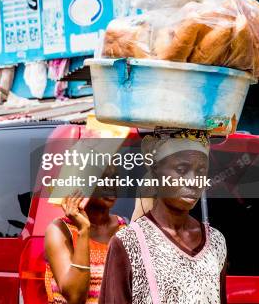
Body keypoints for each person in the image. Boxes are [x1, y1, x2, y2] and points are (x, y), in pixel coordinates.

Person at [100, 129, 228, 304]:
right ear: (155, 171)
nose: (193, 180)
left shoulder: (216, 242)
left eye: (201, 170)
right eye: (181, 169)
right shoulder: (129, 243)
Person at [44, 169, 127, 304]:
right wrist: (83, 230)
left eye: (115, 177)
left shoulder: (124, 229)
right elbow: (75, 297)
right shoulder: (60, 230)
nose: (112, 184)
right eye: (102, 178)